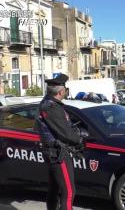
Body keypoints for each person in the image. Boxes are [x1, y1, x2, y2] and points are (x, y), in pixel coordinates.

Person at [35, 74, 83, 210]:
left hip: (53, 152)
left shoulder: (48, 104)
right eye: (65, 89)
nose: (66, 91)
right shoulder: (51, 107)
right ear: (61, 91)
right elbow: (65, 132)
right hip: (58, 154)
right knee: (68, 192)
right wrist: (79, 140)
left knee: (54, 189)